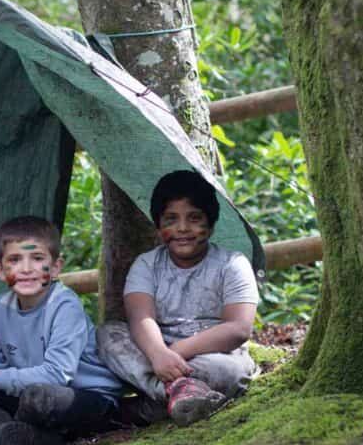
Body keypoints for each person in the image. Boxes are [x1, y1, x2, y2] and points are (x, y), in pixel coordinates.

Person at [0, 216, 124, 445]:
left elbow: (57, 375)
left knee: (38, 398)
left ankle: (34, 434)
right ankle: (7, 432)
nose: (26, 269)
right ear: (0, 270)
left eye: (37, 259)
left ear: (56, 267)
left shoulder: (64, 305)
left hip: (84, 398)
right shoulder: (0, 307)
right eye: (15, 260)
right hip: (28, 393)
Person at [97, 170, 258, 427]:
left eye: (194, 218)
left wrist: (174, 354)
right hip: (155, 350)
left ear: (211, 223)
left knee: (232, 371)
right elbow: (141, 318)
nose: (183, 228)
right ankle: (182, 393)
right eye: (171, 219)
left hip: (211, 355)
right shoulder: (146, 265)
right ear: (159, 225)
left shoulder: (232, 264)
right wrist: (158, 352)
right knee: (109, 335)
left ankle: (151, 406)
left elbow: (238, 328)